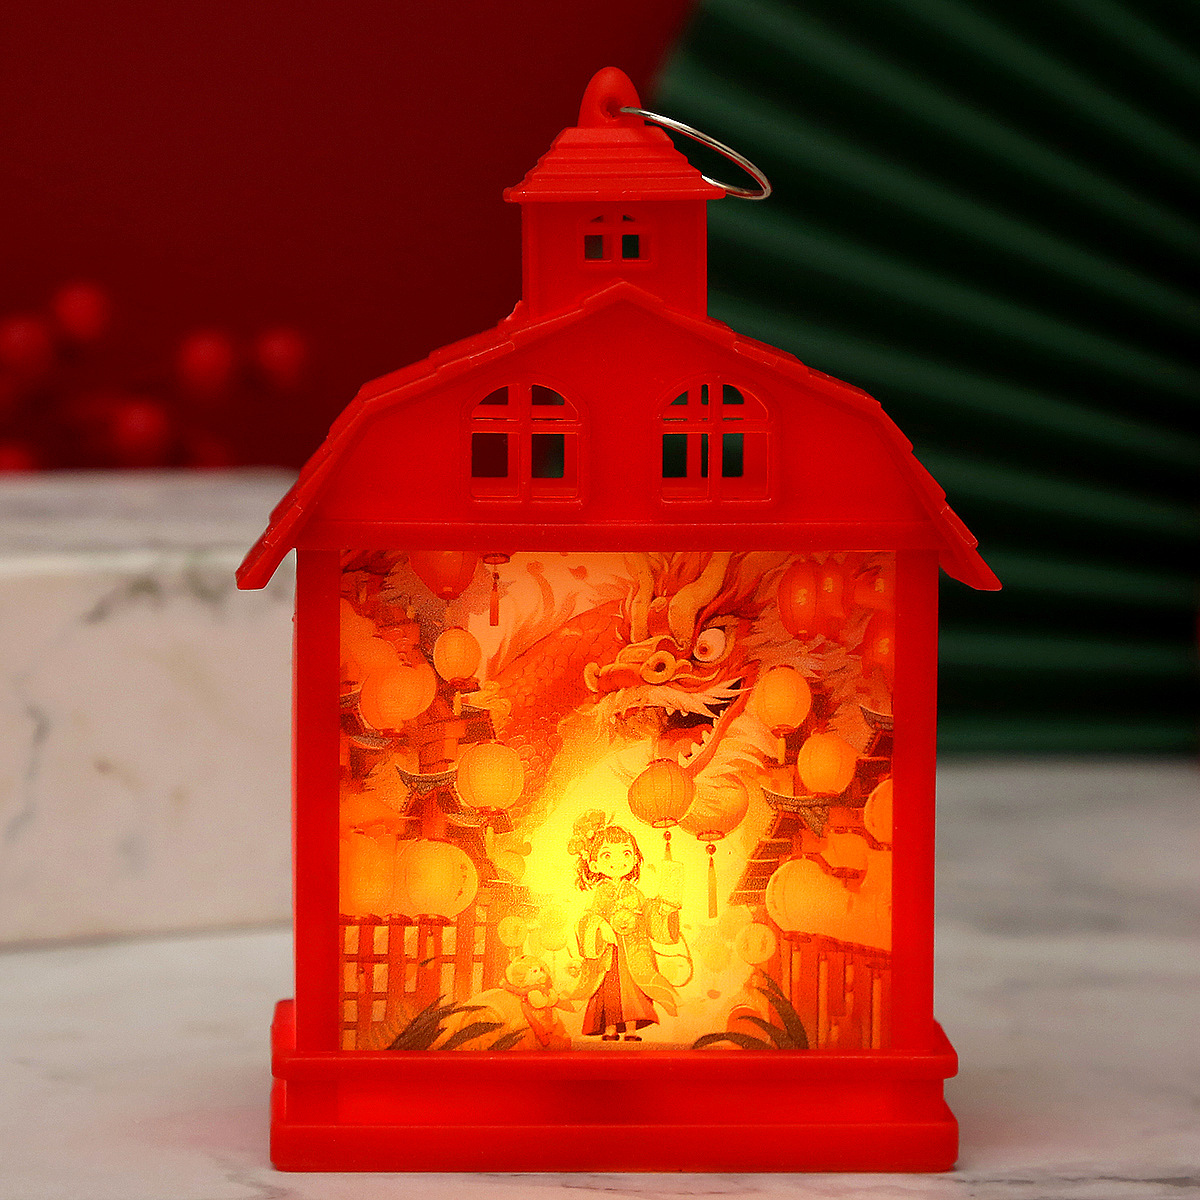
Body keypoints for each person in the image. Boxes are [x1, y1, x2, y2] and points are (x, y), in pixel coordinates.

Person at [569, 809, 680, 1042]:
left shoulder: (634, 892)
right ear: (594, 864)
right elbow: (588, 917)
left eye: (626, 853)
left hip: (634, 951)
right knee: (609, 990)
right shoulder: (600, 892)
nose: (618, 861)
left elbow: (649, 914)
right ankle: (610, 1029)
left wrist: (664, 909)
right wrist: (601, 926)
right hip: (609, 952)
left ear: (635, 859)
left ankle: (631, 1030)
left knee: (632, 990)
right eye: (607, 855)